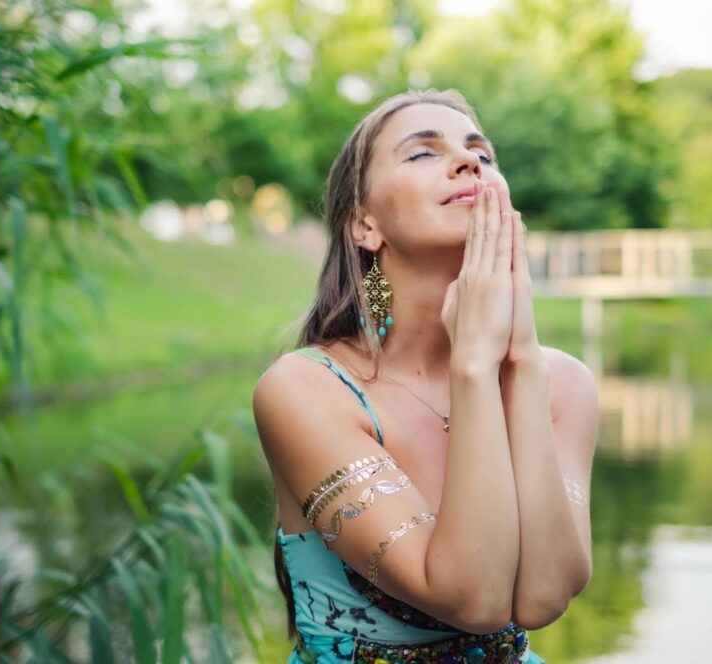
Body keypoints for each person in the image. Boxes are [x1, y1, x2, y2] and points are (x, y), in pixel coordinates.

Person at [252, 89, 598, 664]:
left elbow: (544, 597)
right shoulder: (305, 390)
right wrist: (473, 365)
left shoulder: (562, 383)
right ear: (365, 224)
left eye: (482, 154)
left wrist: (521, 362)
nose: (469, 163)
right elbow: (475, 599)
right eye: (422, 154)